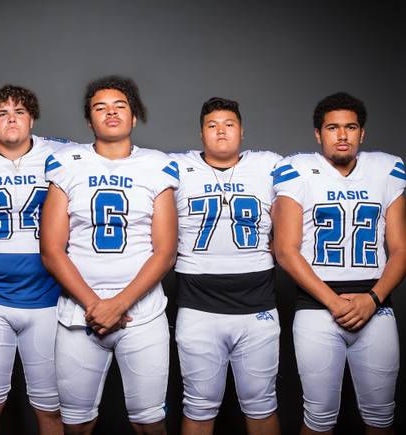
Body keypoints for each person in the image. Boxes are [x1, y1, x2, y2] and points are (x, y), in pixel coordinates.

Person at [40, 75, 179, 435]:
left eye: (120, 106)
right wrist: (94, 304)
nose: (111, 113)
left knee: (150, 423)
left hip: (143, 313)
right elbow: (52, 250)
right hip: (78, 313)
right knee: (76, 425)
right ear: (90, 121)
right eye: (100, 108)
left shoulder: (156, 164)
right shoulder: (67, 162)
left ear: (135, 117)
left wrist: (119, 304)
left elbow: (165, 252)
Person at [272, 92, 406, 434]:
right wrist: (333, 301)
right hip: (317, 307)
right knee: (318, 419)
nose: (342, 135)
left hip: (375, 304)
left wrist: (372, 299)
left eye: (351, 127)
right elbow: (285, 249)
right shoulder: (298, 170)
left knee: (381, 418)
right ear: (319, 134)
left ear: (362, 133)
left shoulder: (387, 169)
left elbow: (401, 249)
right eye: (333, 128)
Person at [171, 97, 281, 435]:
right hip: (197, 304)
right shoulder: (175, 166)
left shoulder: (269, 165)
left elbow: (294, 222)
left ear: (242, 132)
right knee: (198, 405)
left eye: (229, 124)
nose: (221, 131)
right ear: (201, 133)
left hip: (257, 303)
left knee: (262, 404)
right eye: (212, 125)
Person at [0, 85, 66, 434]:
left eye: (19, 112)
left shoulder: (61, 155)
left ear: (32, 118)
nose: (11, 119)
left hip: (48, 297)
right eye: (2, 113)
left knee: (51, 407)